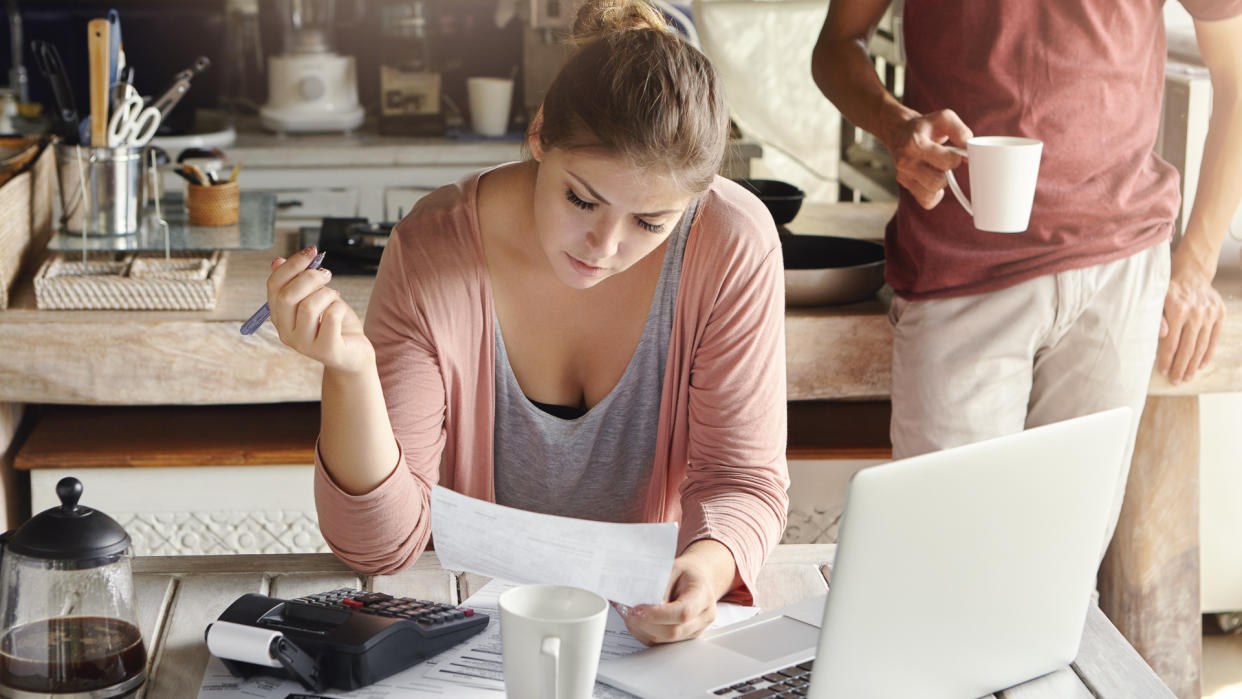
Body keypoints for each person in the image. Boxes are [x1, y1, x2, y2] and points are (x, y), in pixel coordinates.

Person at [265, 0, 789, 645]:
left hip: (639, 634)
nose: (603, 246)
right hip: (469, 634)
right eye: (581, 198)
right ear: (540, 134)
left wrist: (707, 570)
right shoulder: (435, 246)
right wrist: (351, 373)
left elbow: (741, 480)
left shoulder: (731, 241)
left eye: (651, 223)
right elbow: (378, 550)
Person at [812, 2, 1242, 543]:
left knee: (1061, 570)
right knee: (942, 559)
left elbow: (1236, 80)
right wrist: (894, 124)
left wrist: (1195, 268)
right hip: (958, 274)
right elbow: (836, 46)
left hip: (1119, 272)